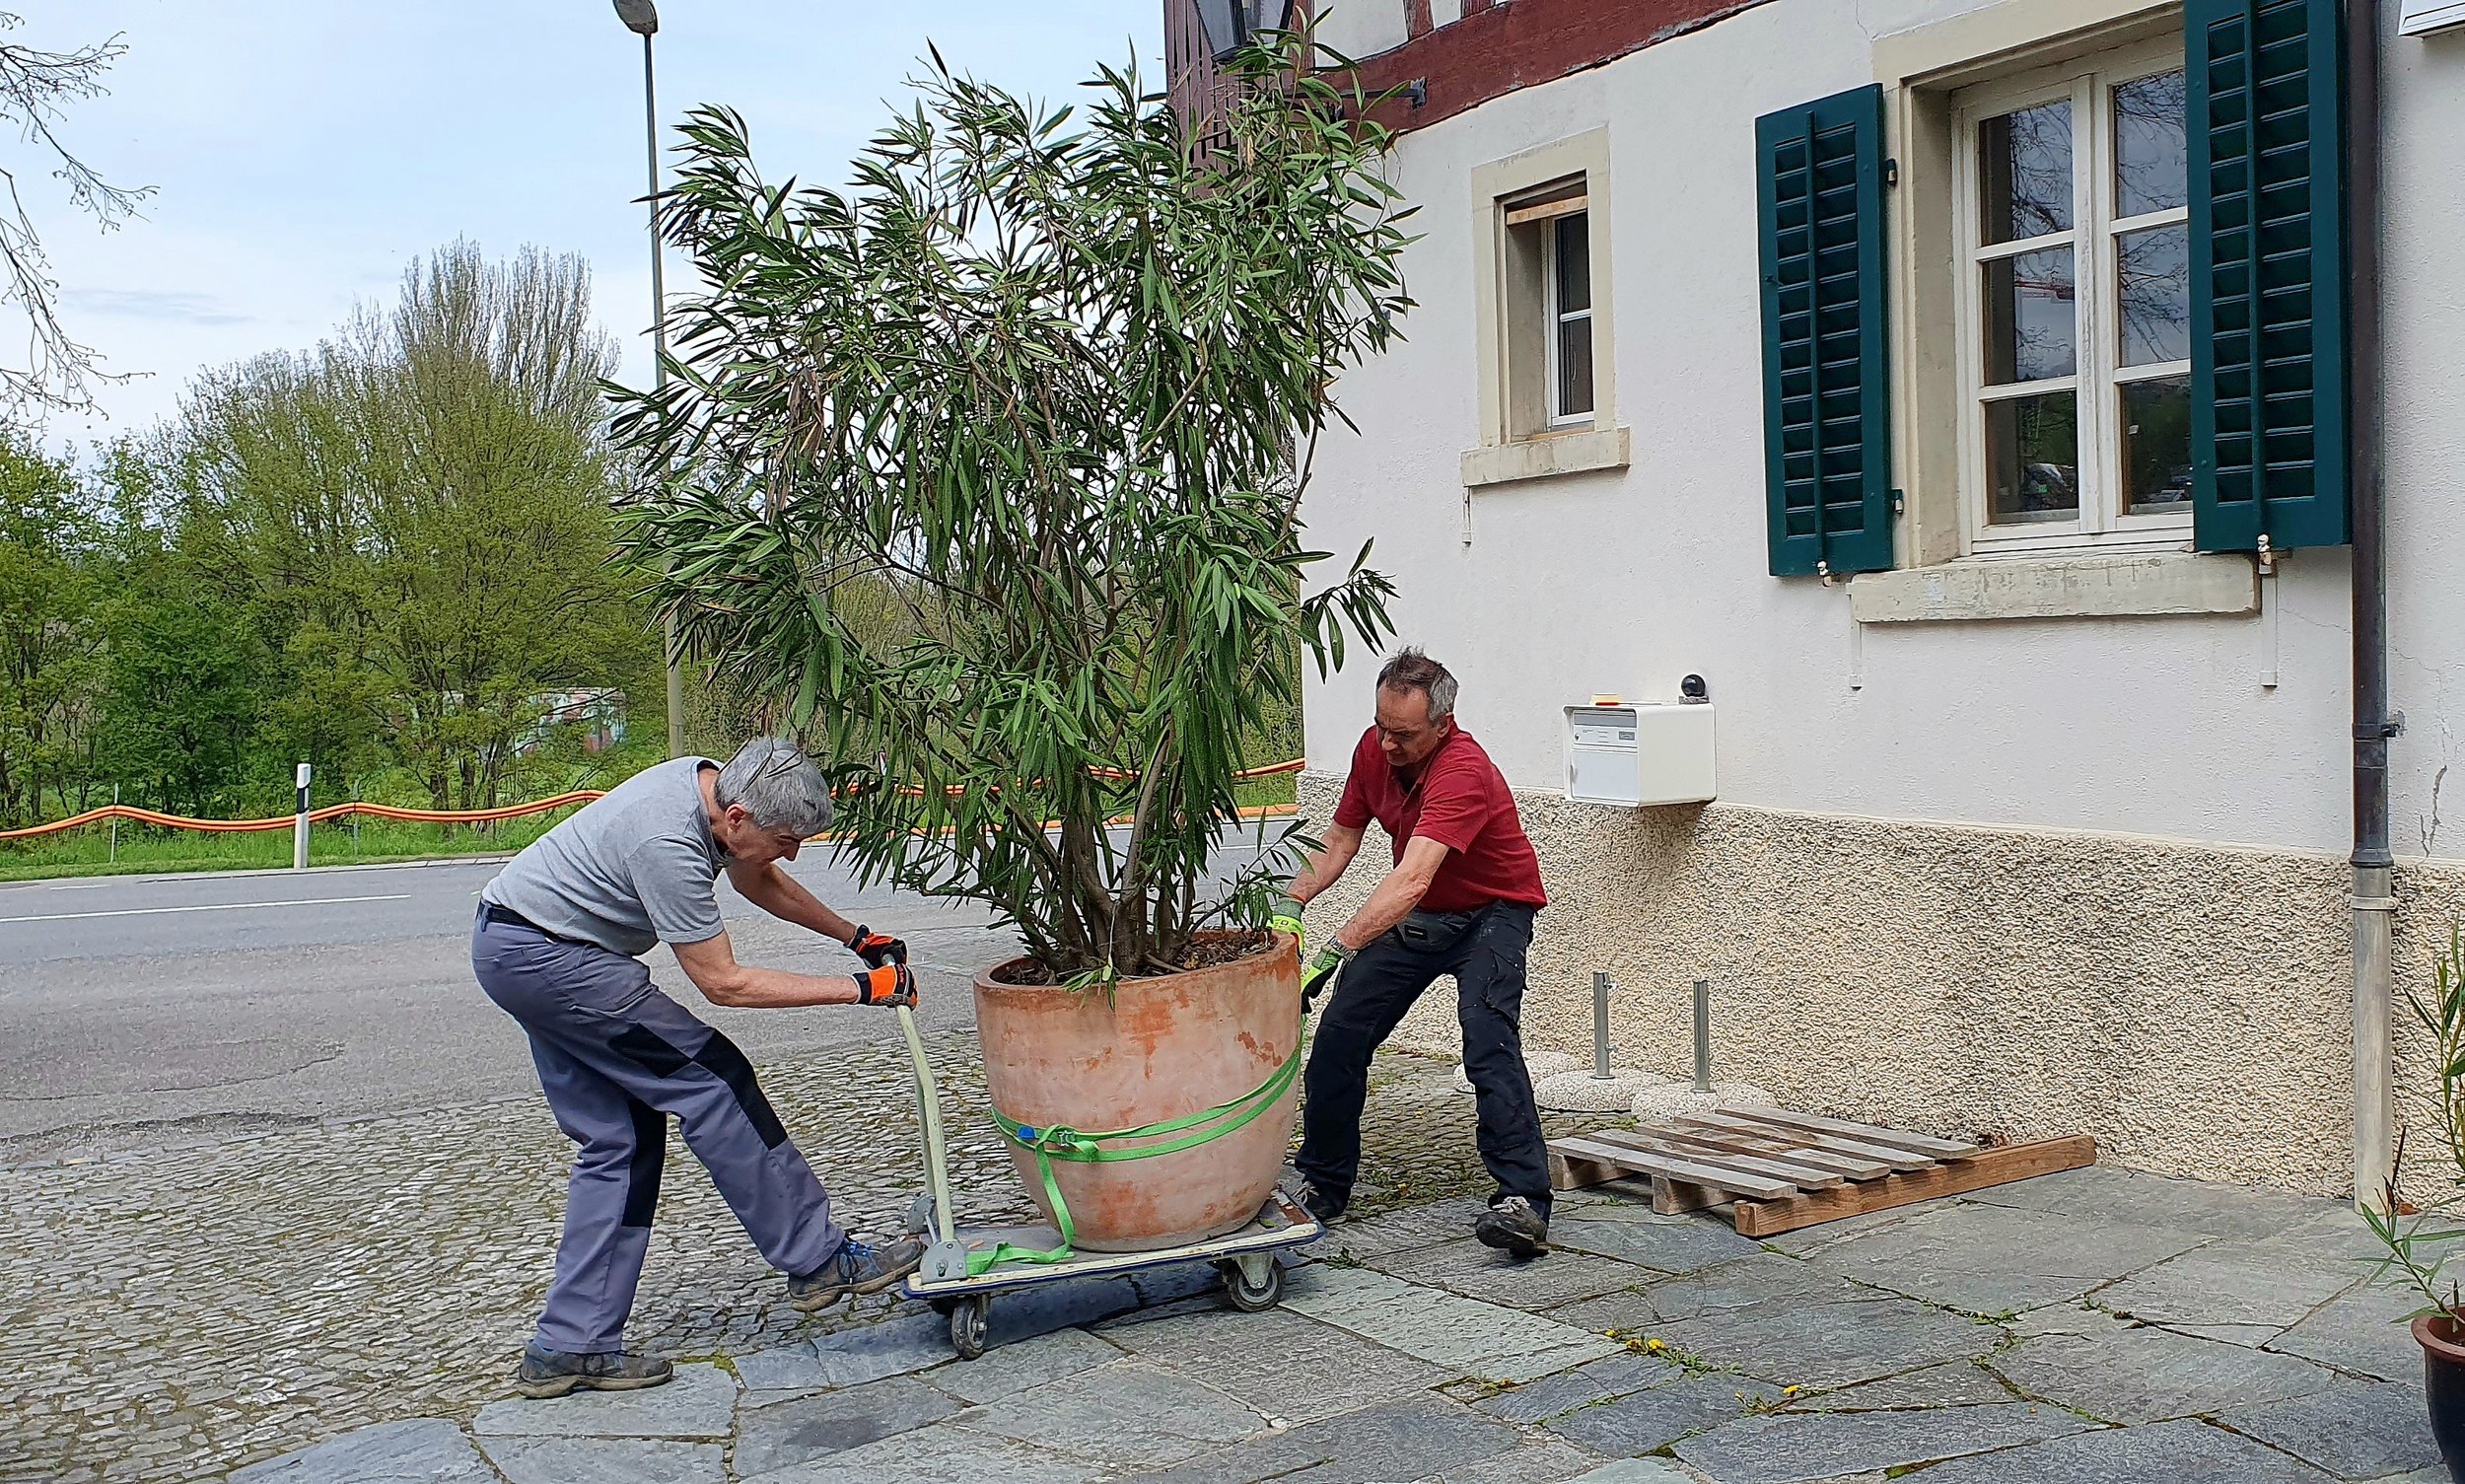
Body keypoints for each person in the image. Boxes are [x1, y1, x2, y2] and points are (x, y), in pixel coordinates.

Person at [472, 737, 927, 1397]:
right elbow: (725, 983)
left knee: (621, 1138)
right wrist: (861, 988)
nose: (793, 851)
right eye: (785, 838)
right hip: (550, 960)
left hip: (515, 945)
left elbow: (756, 874)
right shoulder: (665, 841)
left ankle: (569, 1345)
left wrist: (856, 937)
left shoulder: (715, 793)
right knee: (714, 1078)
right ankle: (820, 1258)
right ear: (737, 817)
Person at [1275, 649, 1555, 1258]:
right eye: (1380, 725)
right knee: (1341, 1034)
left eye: (1402, 734)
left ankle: (1523, 1201)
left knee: (1487, 1040)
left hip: (1493, 912)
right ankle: (1322, 1182)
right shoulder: (1373, 751)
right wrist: (1291, 904)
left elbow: (1411, 878)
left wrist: (1331, 951)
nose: (1386, 743)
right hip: (1425, 918)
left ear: (1444, 723)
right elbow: (1342, 837)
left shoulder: (1464, 772)